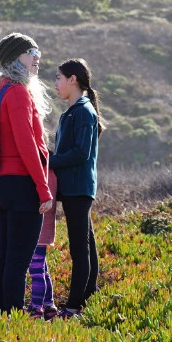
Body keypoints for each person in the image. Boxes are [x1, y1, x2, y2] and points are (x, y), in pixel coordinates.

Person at [0, 32, 53, 314]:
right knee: (18, 262)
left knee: (4, 258)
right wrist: (44, 190)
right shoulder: (18, 92)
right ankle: (12, 321)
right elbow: (27, 145)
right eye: (31, 52)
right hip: (22, 186)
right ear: (15, 58)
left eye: (37, 51)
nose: (37, 58)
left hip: (1, 186)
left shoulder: (0, 90)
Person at [50, 58, 105, 318]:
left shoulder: (83, 111)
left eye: (59, 78)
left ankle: (73, 307)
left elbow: (80, 153)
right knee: (87, 247)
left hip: (77, 188)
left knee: (79, 250)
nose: (56, 83)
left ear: (73, 80)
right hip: (76, 188)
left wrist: (49, 160)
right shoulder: (74, 111)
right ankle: (89, 300)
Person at [28, 169, 59, 320]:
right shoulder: (51, 171)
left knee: (36, 270)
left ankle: (36, 308)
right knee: (42, 267)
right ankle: (49, 304)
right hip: (47, 227)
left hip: (38, 226)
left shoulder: (41, 172)